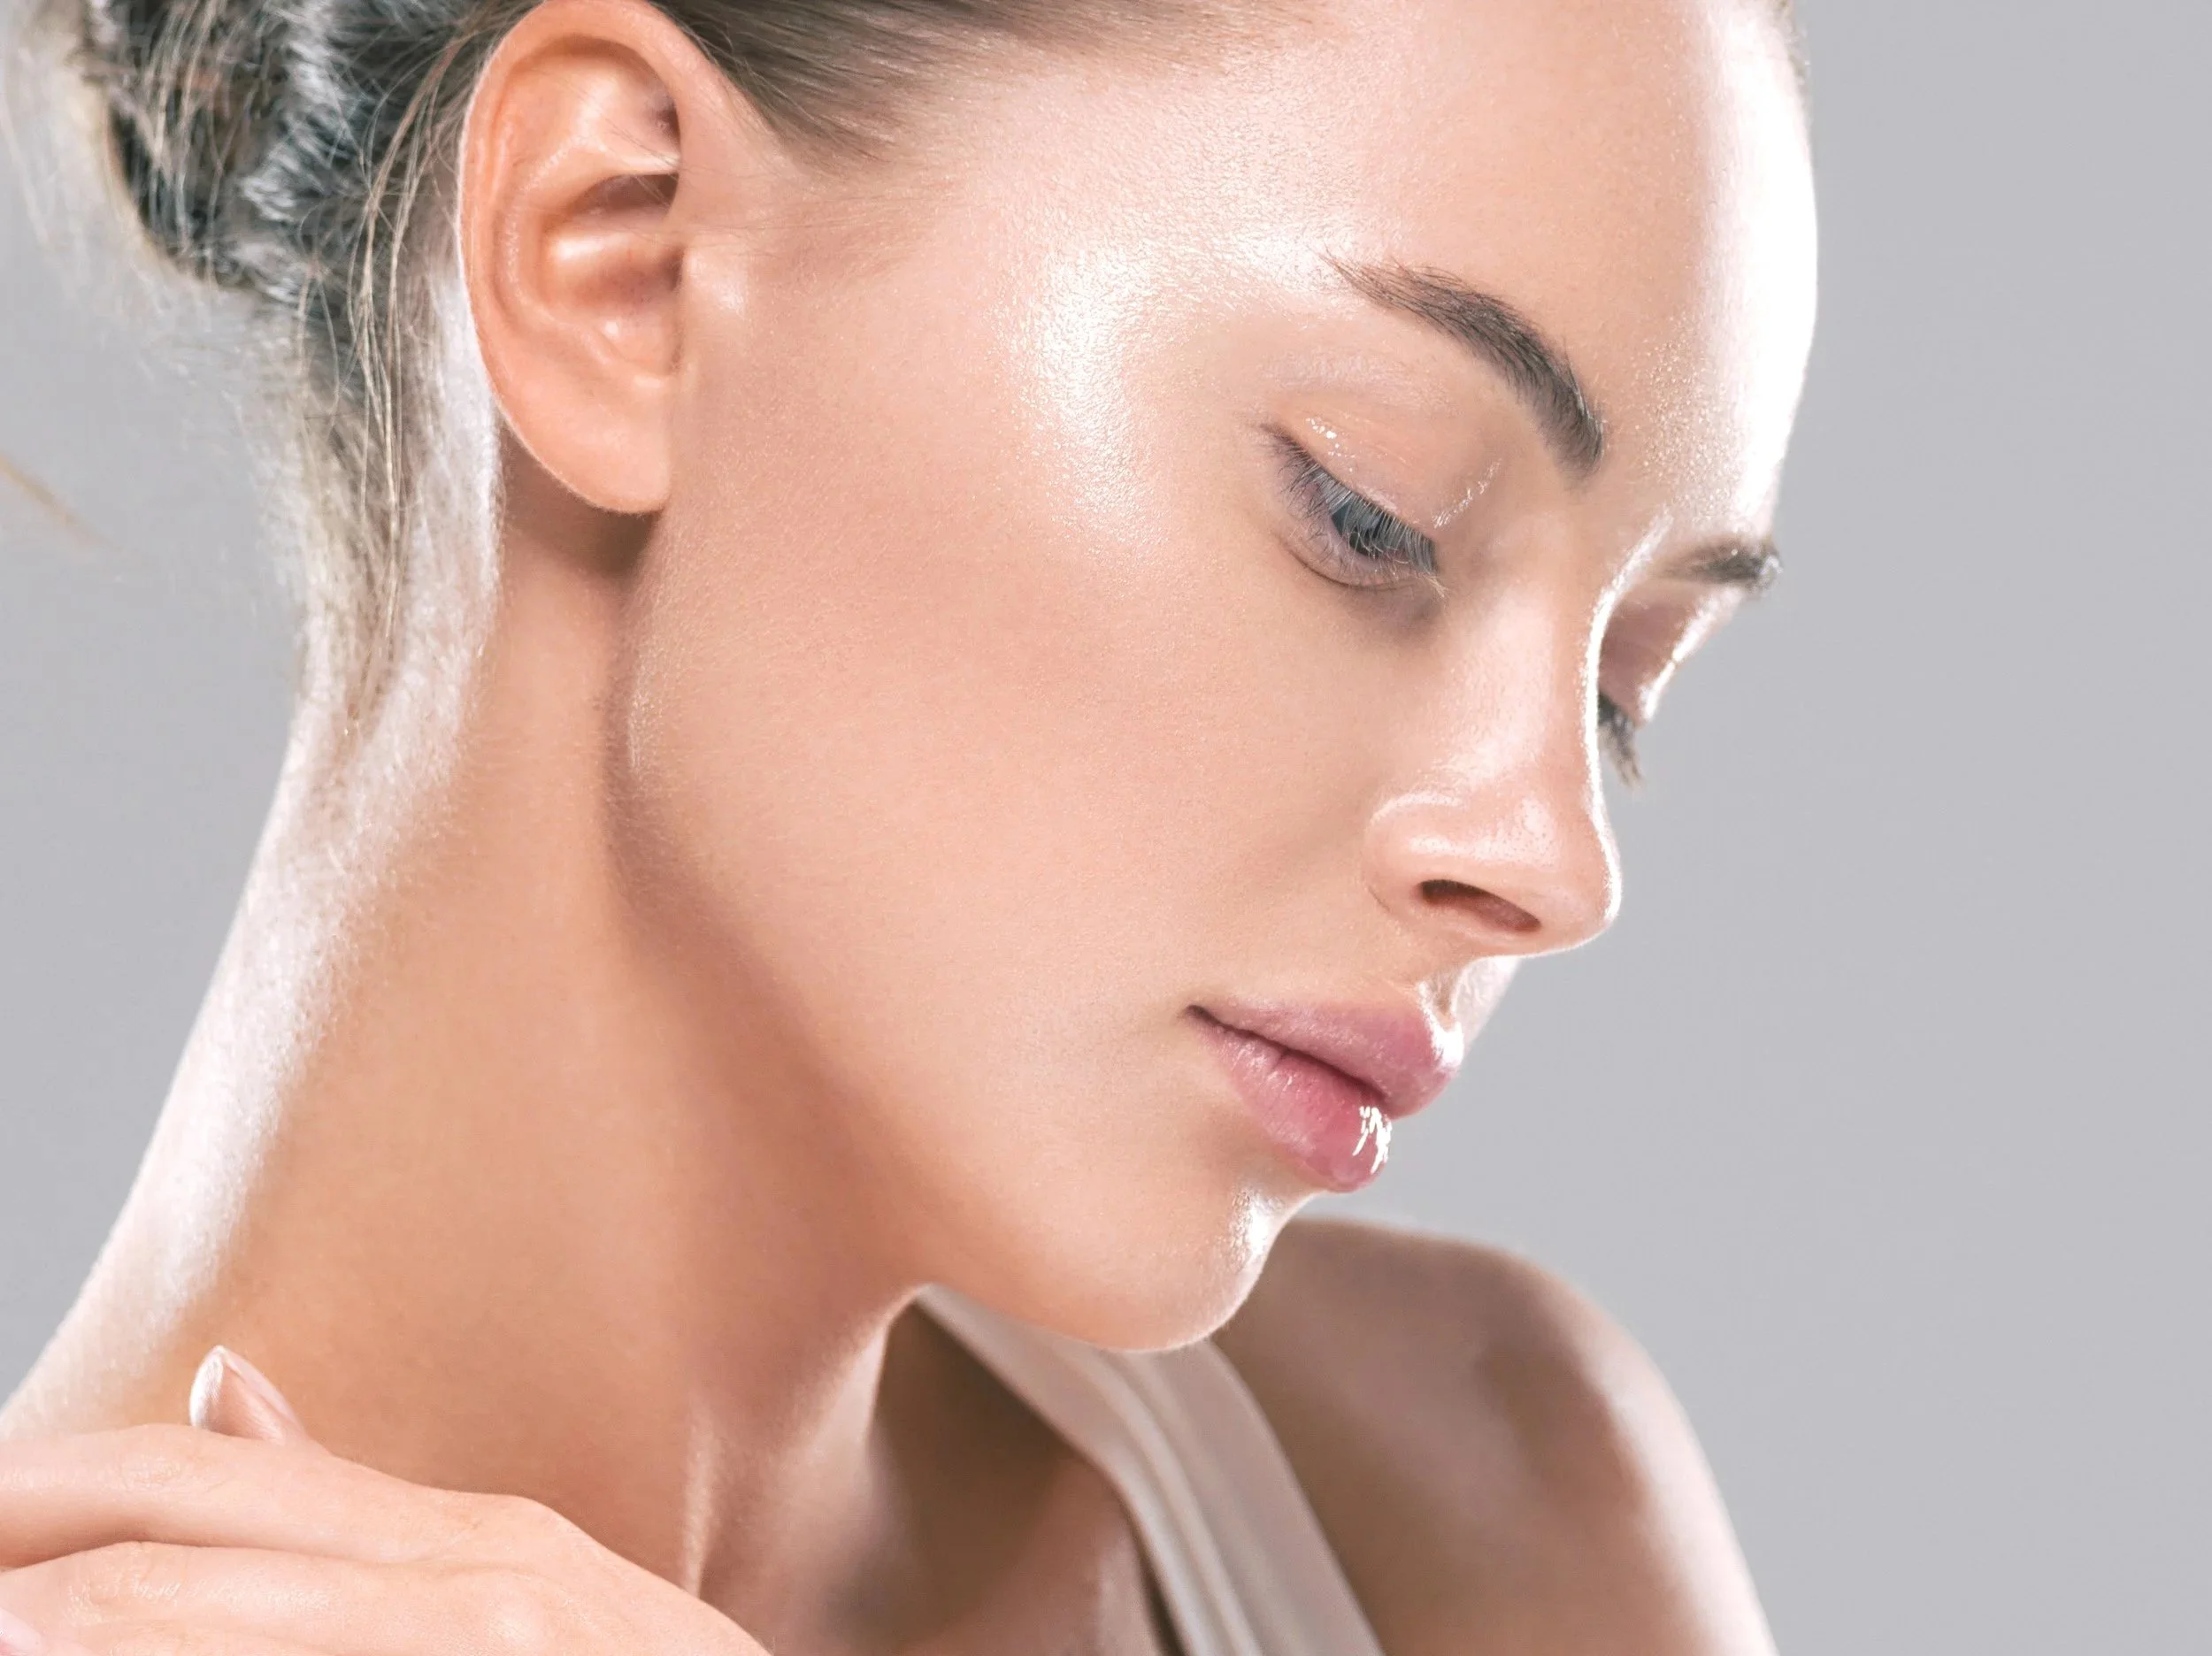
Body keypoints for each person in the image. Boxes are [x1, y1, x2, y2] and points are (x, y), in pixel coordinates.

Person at [0, 0, 1816, 1648]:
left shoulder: (1467, 1508)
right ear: (615, 256)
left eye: (1618, 686)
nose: (1551, 863)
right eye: (1371, 516)